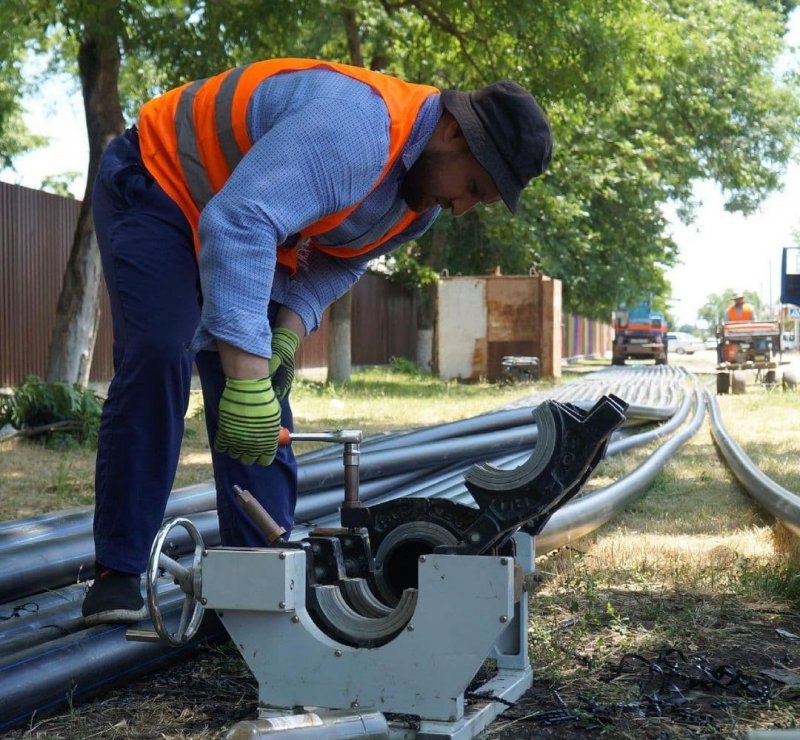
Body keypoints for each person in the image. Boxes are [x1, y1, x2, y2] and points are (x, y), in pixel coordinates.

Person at [81, 58, 552, 625]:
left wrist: (284, 334)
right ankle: (119, 569)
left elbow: (339, 262)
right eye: (474, 186)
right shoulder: (357, 131)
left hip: (234, 219)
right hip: (160, 182)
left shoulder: (415, 208)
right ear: (452, 132)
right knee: (161, 352)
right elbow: (238, 222)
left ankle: (259, 581)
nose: (462, 207)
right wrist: (247, 374)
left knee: (264, 401)